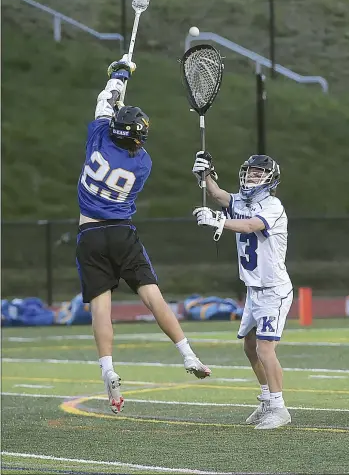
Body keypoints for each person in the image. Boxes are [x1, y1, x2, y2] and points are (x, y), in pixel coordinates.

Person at [76, 56, 211, 414]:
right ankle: (188, 354)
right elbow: (119, 123)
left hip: (90, 234)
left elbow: (105, 101)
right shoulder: (142, 163)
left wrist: (119, 74)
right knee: (154, 299)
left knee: (101, 309)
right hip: (122, 233)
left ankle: (107, 368)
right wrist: (120, 104)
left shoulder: (98, 137)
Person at [192, 152, 293, 430]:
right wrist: (205, 172)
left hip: (273, 289)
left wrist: (218, 222)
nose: (252, 176)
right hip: (253, 289)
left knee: (265, 349)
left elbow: (250, 226)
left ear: (271, 179)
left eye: (259, 173)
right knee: (250, 346)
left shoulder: (273, 205)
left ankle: (279, 408)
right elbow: (218, 195)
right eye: (250, 172)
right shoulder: (242, 200)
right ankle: (265, 399)